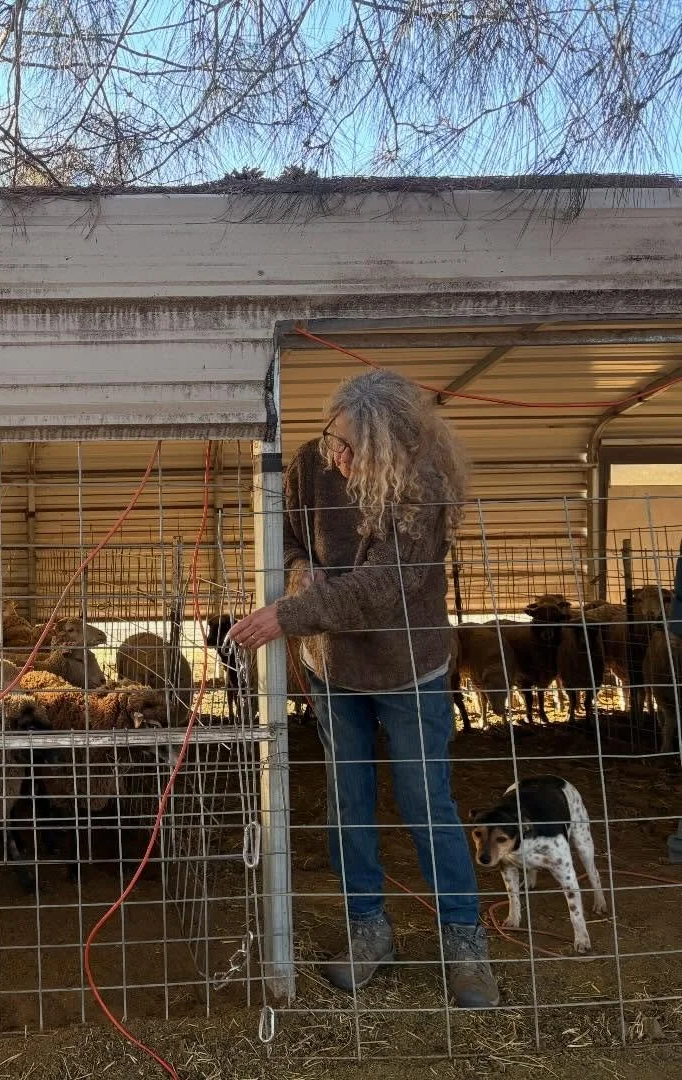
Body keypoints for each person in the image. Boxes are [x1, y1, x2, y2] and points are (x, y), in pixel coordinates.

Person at [228, 367, 498, 1008]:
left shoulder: (421, 484)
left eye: (352, 449)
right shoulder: (311, 466)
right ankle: (369, 929)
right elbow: (286, 533)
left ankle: (464, 940)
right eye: (332, 440)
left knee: (425, 799)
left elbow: (385, 585)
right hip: (332, 666)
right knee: (349, 799)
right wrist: (299, 571)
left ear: (390, 449)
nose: (337, 456)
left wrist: (284, 617)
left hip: (408, 665)